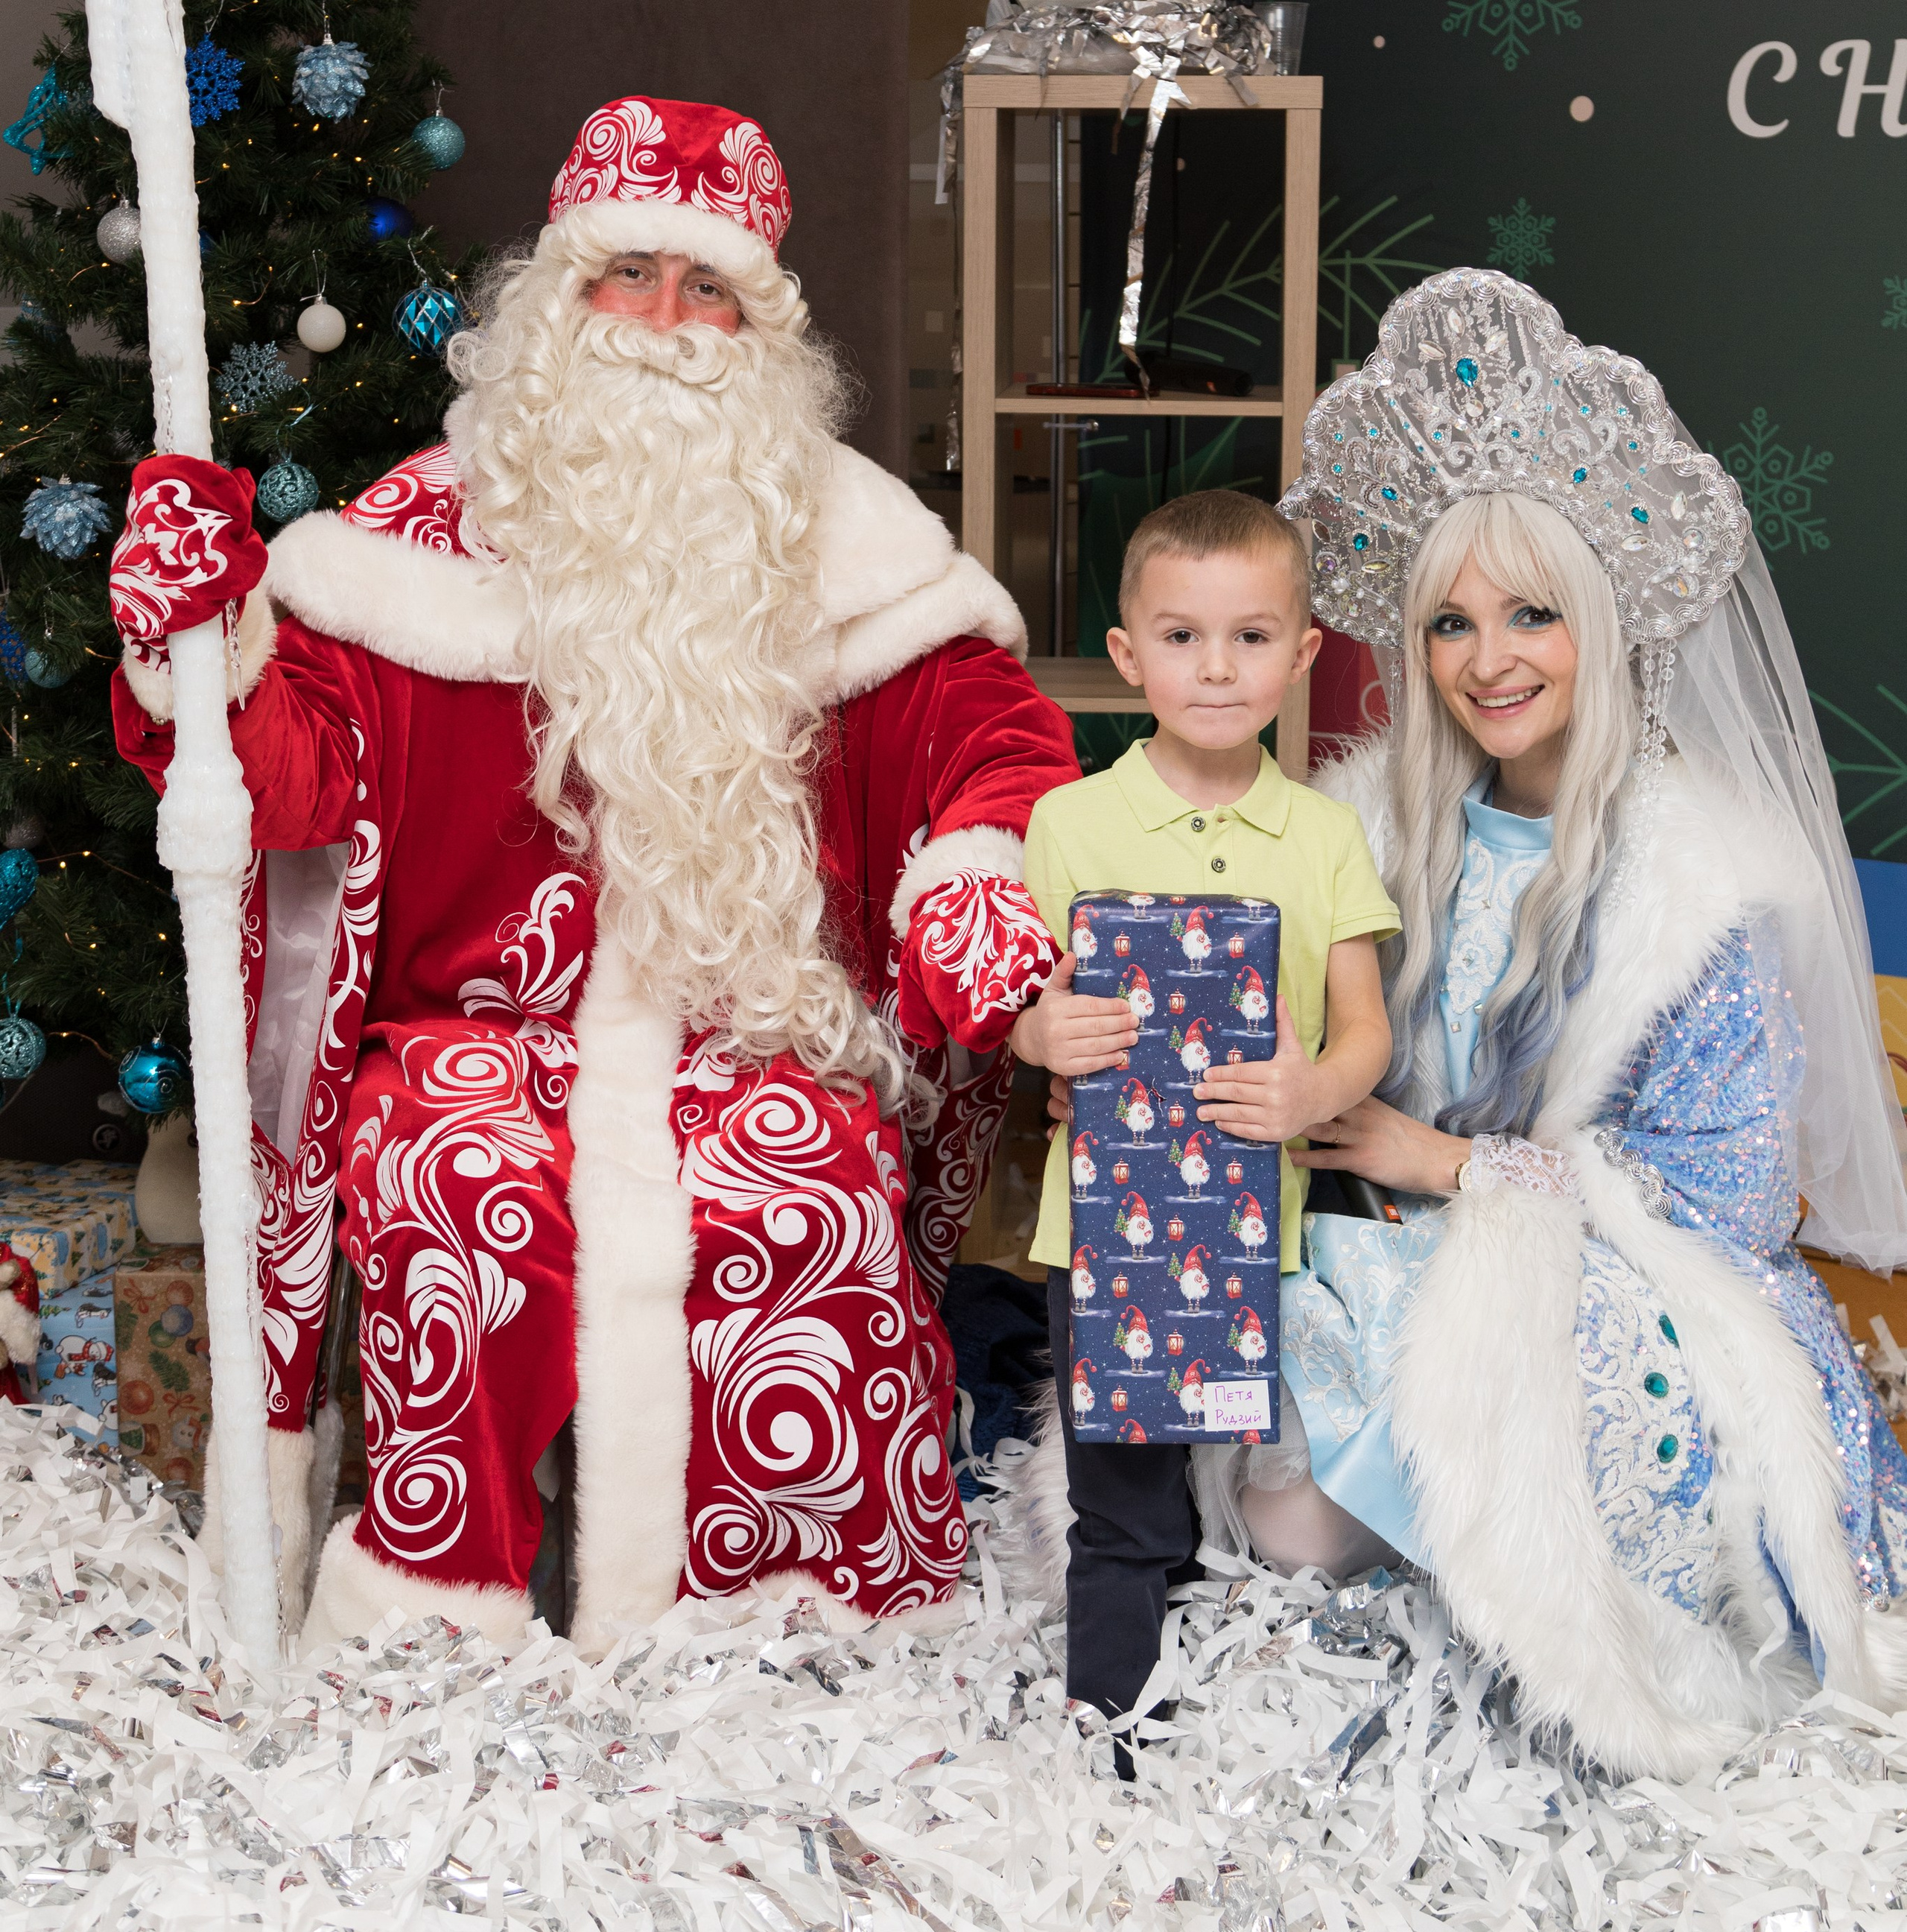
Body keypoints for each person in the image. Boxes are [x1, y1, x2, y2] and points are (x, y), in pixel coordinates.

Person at [109, 95, 1076, 1653]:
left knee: (808, 1188)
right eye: (631, 275)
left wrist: (977, 861)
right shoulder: (411, 539)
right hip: (476, 1037)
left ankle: (795, 1644)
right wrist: (203, 650)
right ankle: (439, 1627)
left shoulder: (845, 538)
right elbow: (290, 779)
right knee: (462, 1187)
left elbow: (985, 731)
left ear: (761, 334)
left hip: (756, 1032)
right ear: (562, 297)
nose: (666, 324)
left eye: (709, 290)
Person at [1255, 265, 1907, 1779]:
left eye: (1532, 615)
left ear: (1600, 624)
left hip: (1621, 1290)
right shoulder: (1363, 831)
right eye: (1450, 623)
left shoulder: (1701, 885)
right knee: (1278, 1510)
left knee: (1414, 1464)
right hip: (1380, 1250)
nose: (1489, 661)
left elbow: (1724, 1204)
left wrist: (1447, 1168)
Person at [1009, 490, 1399, 1732]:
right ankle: (1114, 1726)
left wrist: (1312, 1089)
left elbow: (1366, 1031)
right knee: (1121, 1497)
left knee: (1243, 1484)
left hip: (1252, 1225)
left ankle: (1235, 1688)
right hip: (1105, 1231)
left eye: (1250, 637)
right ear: (1128, 656)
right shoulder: (1068, 823)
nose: (1217, 669)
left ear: (1304, 654)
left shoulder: (1325, 835)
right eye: (1182, 637)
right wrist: (1037, 1038)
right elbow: (1025, 1010)